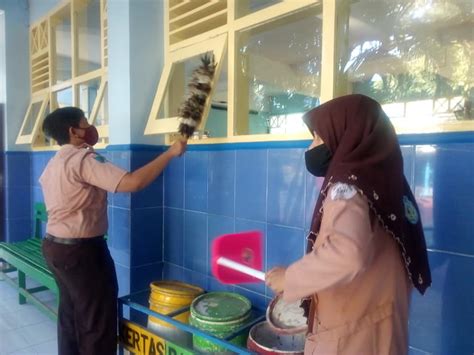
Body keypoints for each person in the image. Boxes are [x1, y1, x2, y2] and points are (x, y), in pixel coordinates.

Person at [266, 94, 431, 354]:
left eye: (318, 137)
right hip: (380, 328)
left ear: (344, 138)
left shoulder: (348, 187)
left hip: (353, 337)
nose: (311, 147)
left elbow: (347, 254)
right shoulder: (389, 187)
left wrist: (289, 278)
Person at [39, 107, 186, 355]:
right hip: (81, 252)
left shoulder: (53, 164)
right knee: (97, 321)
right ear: (73, 131)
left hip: (55, 248)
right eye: (86, 123)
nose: (91, 127)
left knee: (71, 315)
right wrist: (170, 153)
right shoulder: (83, 160)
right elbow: (132, 182)